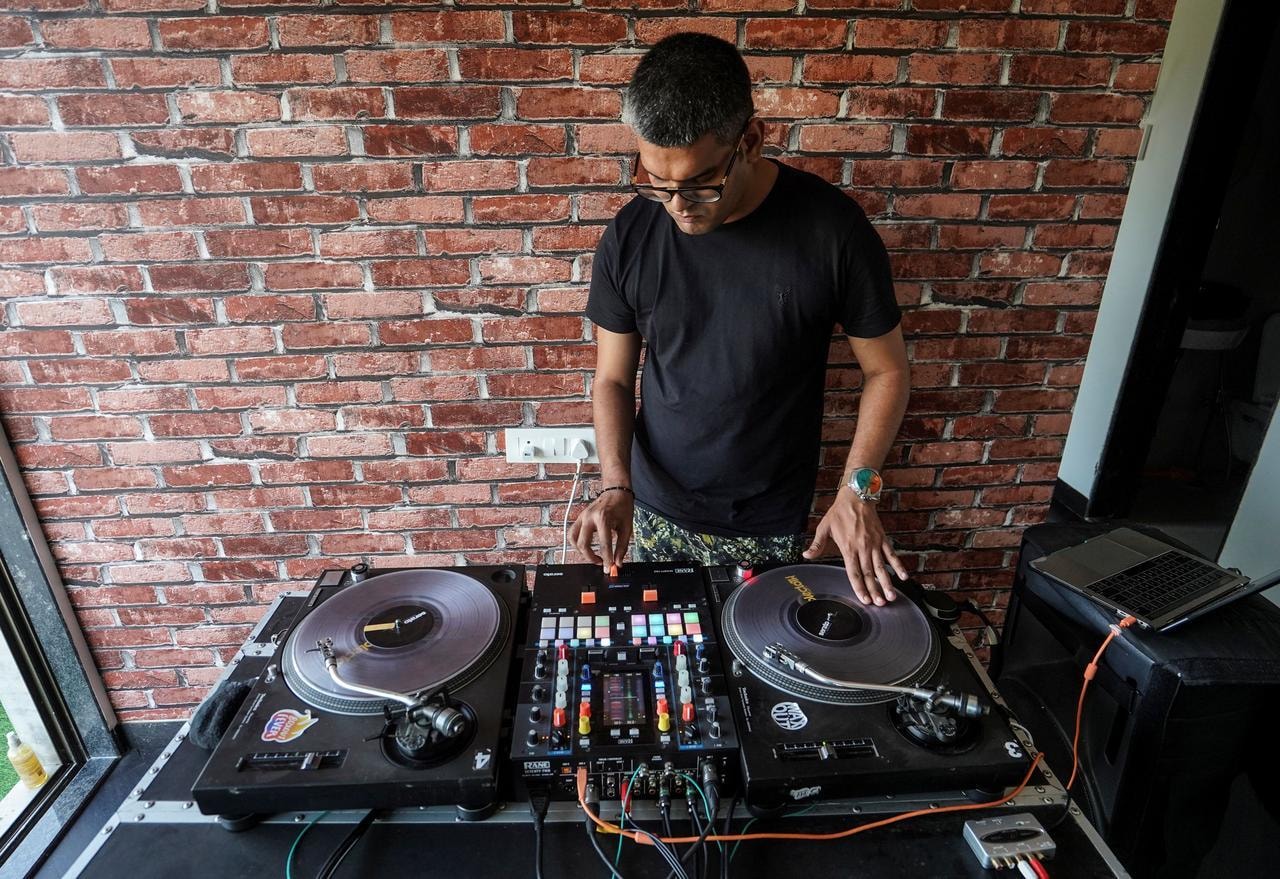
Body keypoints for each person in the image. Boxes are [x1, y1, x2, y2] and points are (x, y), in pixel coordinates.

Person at [569, 33, 911, 606]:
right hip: (651, 504)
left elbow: (888, 372)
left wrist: (859, 492)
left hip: (769, 518)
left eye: (700, 183)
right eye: (657, 181)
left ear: (750, 140)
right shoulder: (630, 235)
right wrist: (614, 485)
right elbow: (612, 379)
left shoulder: (834, 231)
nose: (677, 204)